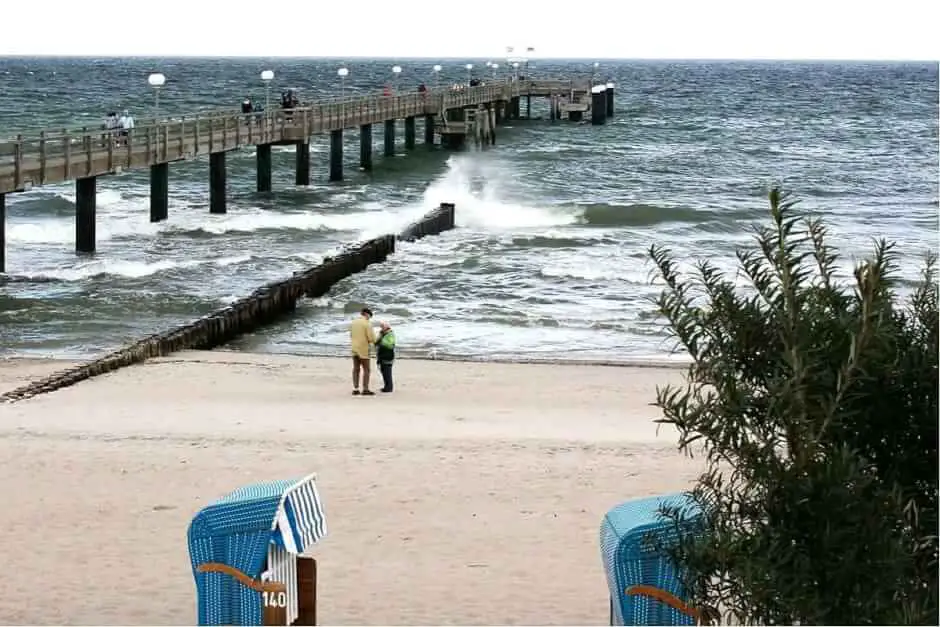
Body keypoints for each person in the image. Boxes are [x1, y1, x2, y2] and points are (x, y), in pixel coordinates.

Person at [349, 307, 376, 396]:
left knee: (356, 369)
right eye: (369, 316)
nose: (369, 318)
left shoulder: (353, 322)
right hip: (363, 349)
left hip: (354, 348)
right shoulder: (367, 323)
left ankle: (355, 389)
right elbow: (371, 338)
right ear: (367, 314)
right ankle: (365, 389)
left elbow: (351, 335)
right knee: (366, 369)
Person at [376, 321, 396, 393]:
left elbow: (390, 345)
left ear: (387, 327)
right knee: (383, 372)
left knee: (387, 372)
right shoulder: (382, 334)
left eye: (383, 327)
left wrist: (381, 341)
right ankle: (386, 386)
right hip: (381, 355)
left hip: (388, 356)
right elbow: (376, 342)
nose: (381, 329)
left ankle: (389, 388)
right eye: (381, 327)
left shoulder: (390, 334)